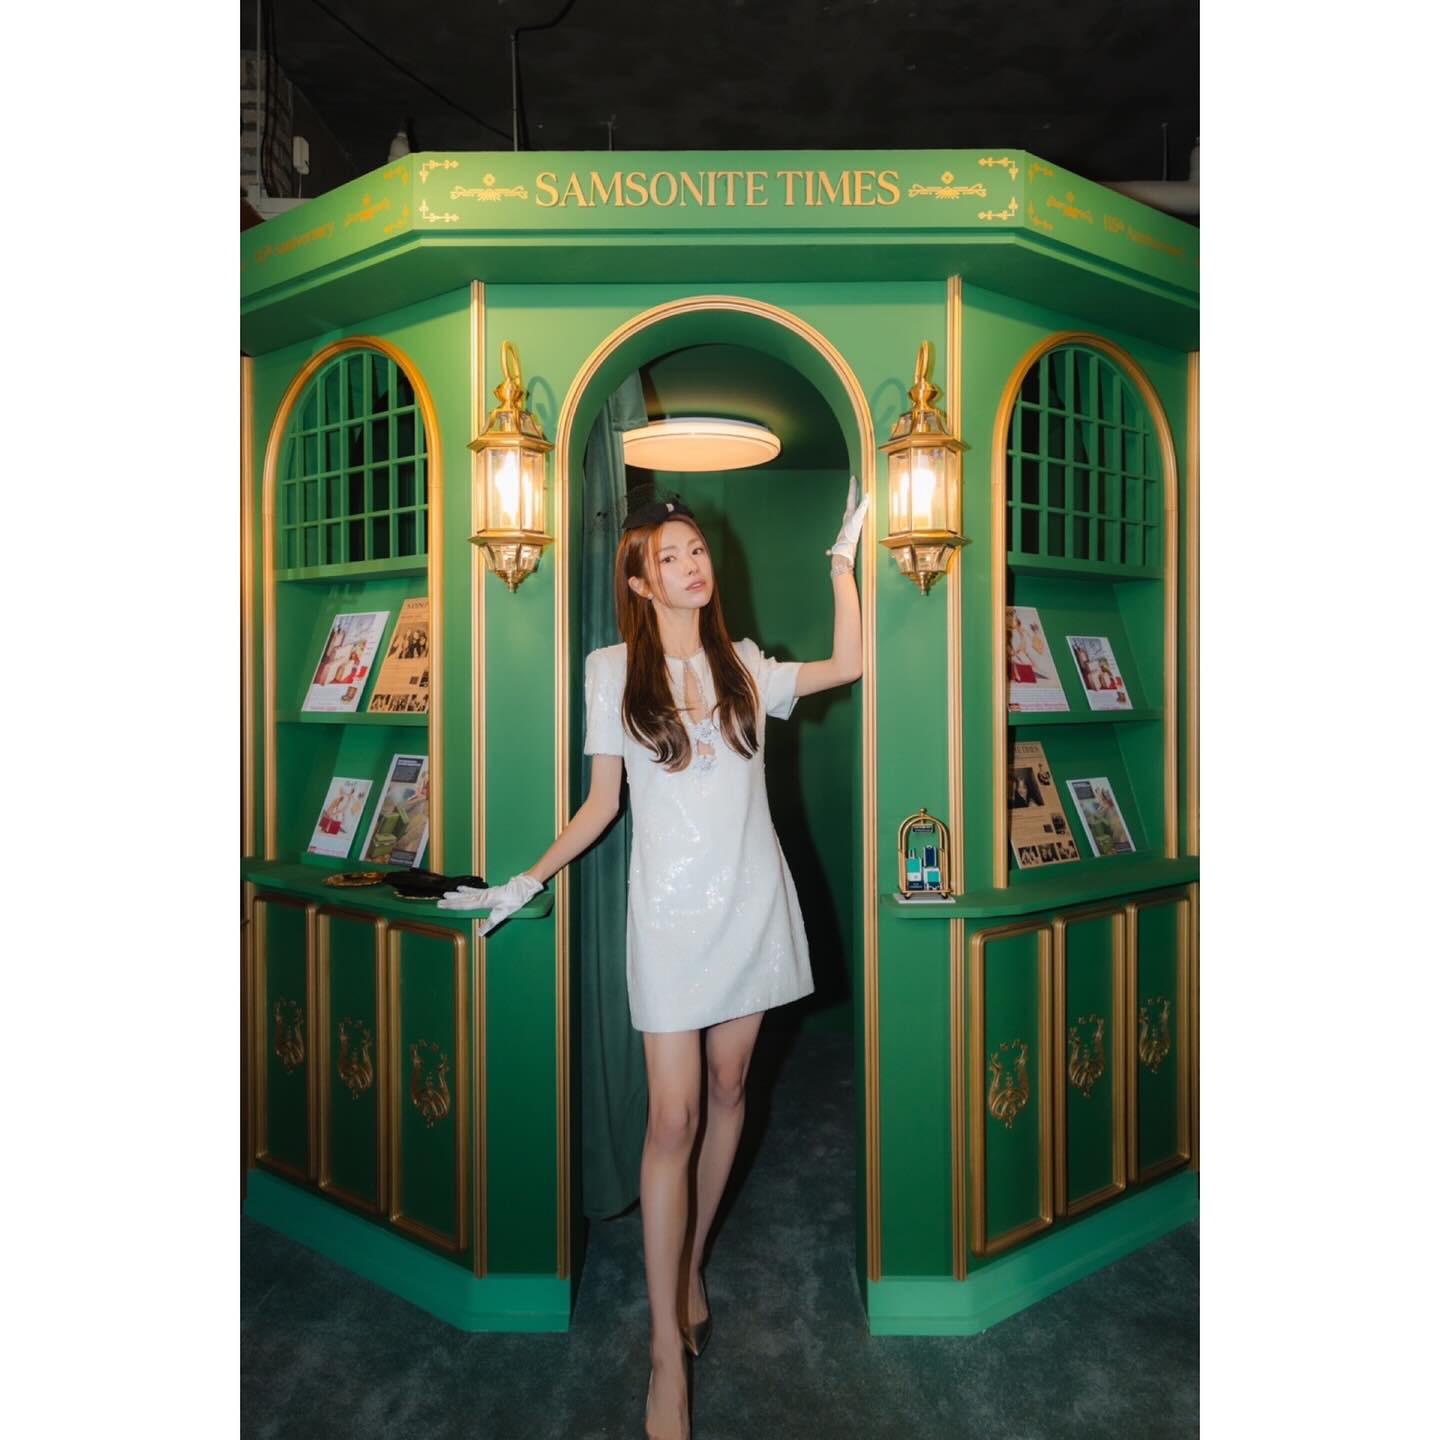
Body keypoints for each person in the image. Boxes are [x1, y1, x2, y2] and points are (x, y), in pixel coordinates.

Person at [440, 482, 869, 1440]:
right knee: (671, 1116)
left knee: (729, 1089)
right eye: (669, 556)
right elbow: (603, 805)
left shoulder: (745, 664)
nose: (691, 564)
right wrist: (525, 878)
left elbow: (852, 662)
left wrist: (841, 563)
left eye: (696, 549)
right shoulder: (610, 672)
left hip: (753, 904)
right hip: (669, 917)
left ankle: (689, 1269)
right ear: (639, 580)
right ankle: (664, 1352)